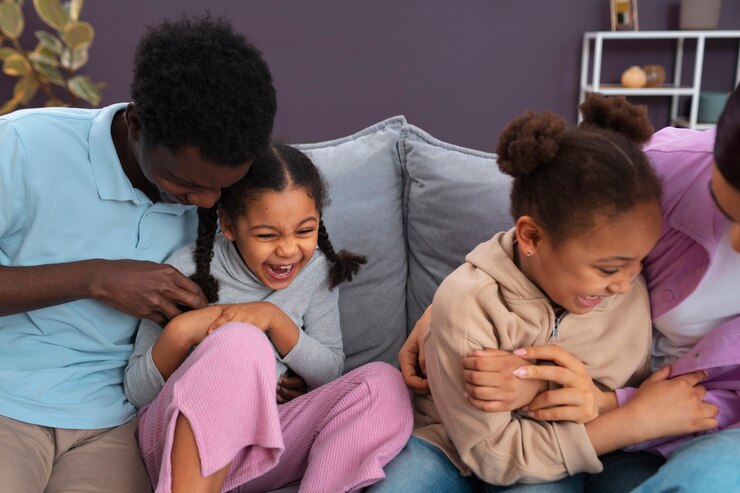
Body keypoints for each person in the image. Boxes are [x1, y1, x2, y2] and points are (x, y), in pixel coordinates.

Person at [370, 94, 719, 493]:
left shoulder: (624, 279)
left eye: (638, 262)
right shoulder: (471, 304)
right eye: (608, 269)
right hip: (463, 445)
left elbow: (636, 390)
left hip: (609, 443)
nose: (625, 284)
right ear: (531, 237)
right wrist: (627, 422)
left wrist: (623, 414)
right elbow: (494, 453)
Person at [0, 15, 276, 492]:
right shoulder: (23, 146)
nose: (209, 203)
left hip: (114, 425)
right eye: (187, 184)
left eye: (222, 187)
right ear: (136, 124)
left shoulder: (231, 201)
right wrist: (96, 278)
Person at [125, 144, 414, 493]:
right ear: (229, 225)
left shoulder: (316, 271)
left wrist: (274, 320)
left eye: (304, 231)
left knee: (383, 382)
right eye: (267, 235)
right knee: (240, 341)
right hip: (176, 445)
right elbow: (137, 392)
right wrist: (182, 331)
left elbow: (330, 371)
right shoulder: (183, 271)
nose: (289, 250)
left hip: (270, 443)